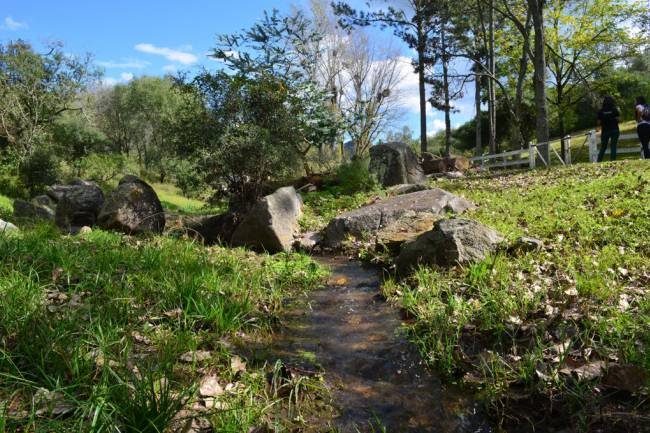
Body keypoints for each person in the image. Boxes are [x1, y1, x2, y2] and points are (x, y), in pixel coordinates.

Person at [597, 96, 620, 162]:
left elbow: (598, 122)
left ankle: (599, 161)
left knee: (603, 147)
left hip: (605, 131)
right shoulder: (614, 109)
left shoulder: (601, 111)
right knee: (613, 147)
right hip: (614, 129)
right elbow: (619, 119)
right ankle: (613, 161)